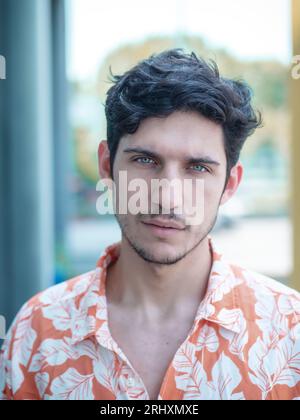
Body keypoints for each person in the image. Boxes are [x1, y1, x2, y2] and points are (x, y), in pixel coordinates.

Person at [1, 49, 299, 400]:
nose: (167, 198)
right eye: (145, 160)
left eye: (198, 168)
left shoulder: (289, 332)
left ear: (230, 184)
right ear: (107, 165)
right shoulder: (38, 331)